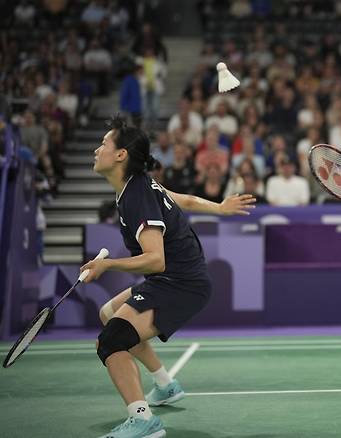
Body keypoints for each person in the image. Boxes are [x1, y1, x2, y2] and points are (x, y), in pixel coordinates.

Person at [81, 115, 255, 438]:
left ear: (121, 155)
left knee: (111, 341)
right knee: (108, 314)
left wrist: (107, 265)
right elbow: (181, 199)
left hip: (179, 284)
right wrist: (219, 207)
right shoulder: (140, 184)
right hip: (174, 280)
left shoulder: (136, 196)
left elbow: (155, 260)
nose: (96, 149)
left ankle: (143, 421)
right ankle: (165, 385)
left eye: (103, 143)